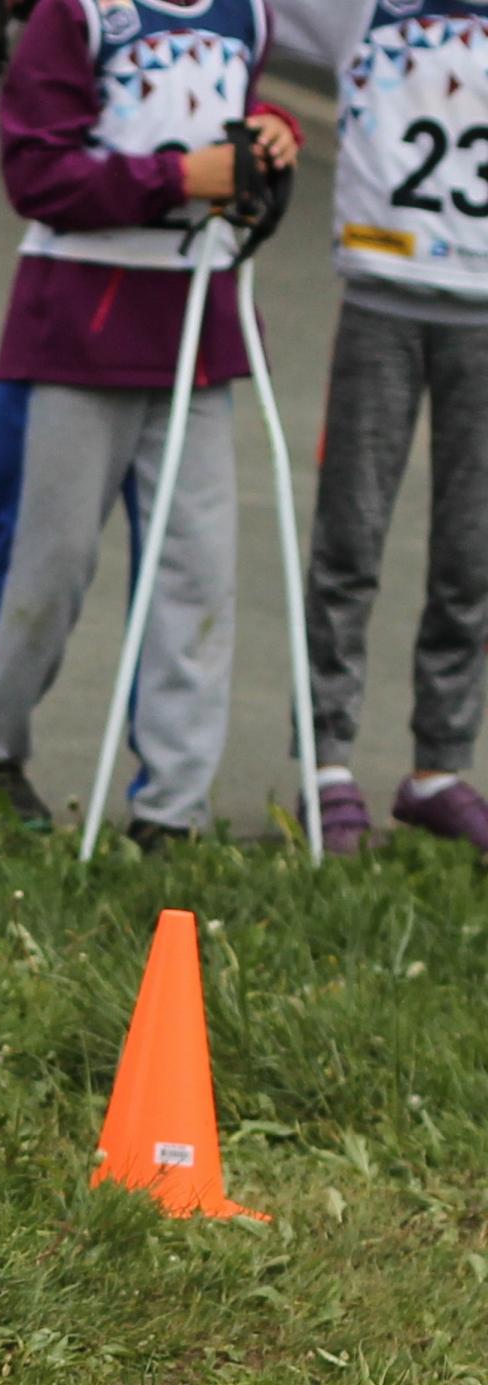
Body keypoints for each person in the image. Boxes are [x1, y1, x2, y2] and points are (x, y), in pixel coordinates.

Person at [0, 0, 302, 849]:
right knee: (46, 563)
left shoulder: (245, 13)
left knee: (198, 576)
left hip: (199, 334)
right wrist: (182, 178)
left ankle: (173, 807)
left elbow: (229, 118)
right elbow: (38, 175)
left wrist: (271, 134)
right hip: (76, 332)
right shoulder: (79, 14)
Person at [270, 0, 488, 857]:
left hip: (483, 315)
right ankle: (326, 763)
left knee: (471, 551)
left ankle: (440, 765)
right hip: (378, 302)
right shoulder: (360, 10)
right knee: (350, 541)